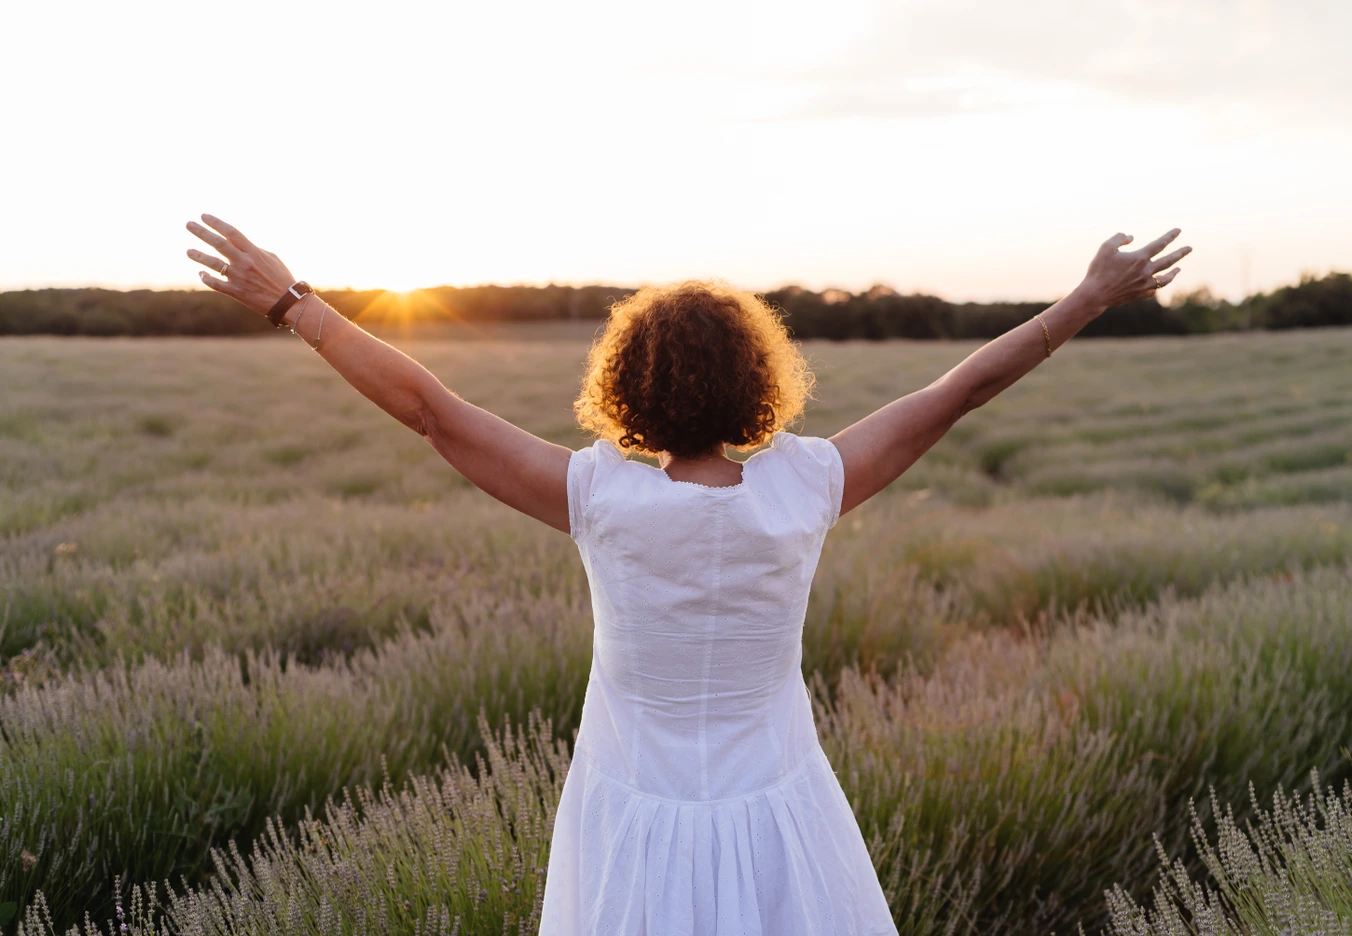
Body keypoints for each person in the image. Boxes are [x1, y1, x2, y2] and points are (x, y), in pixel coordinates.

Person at [186, 216, 1189, 934]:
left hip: (630, 809)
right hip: (780, 808)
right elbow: (959, 390)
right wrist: (1086, 300)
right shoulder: (807, 482)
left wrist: (293, 304)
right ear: (760, 380)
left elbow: (430, 411)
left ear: (626, 384)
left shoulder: (597, 495)